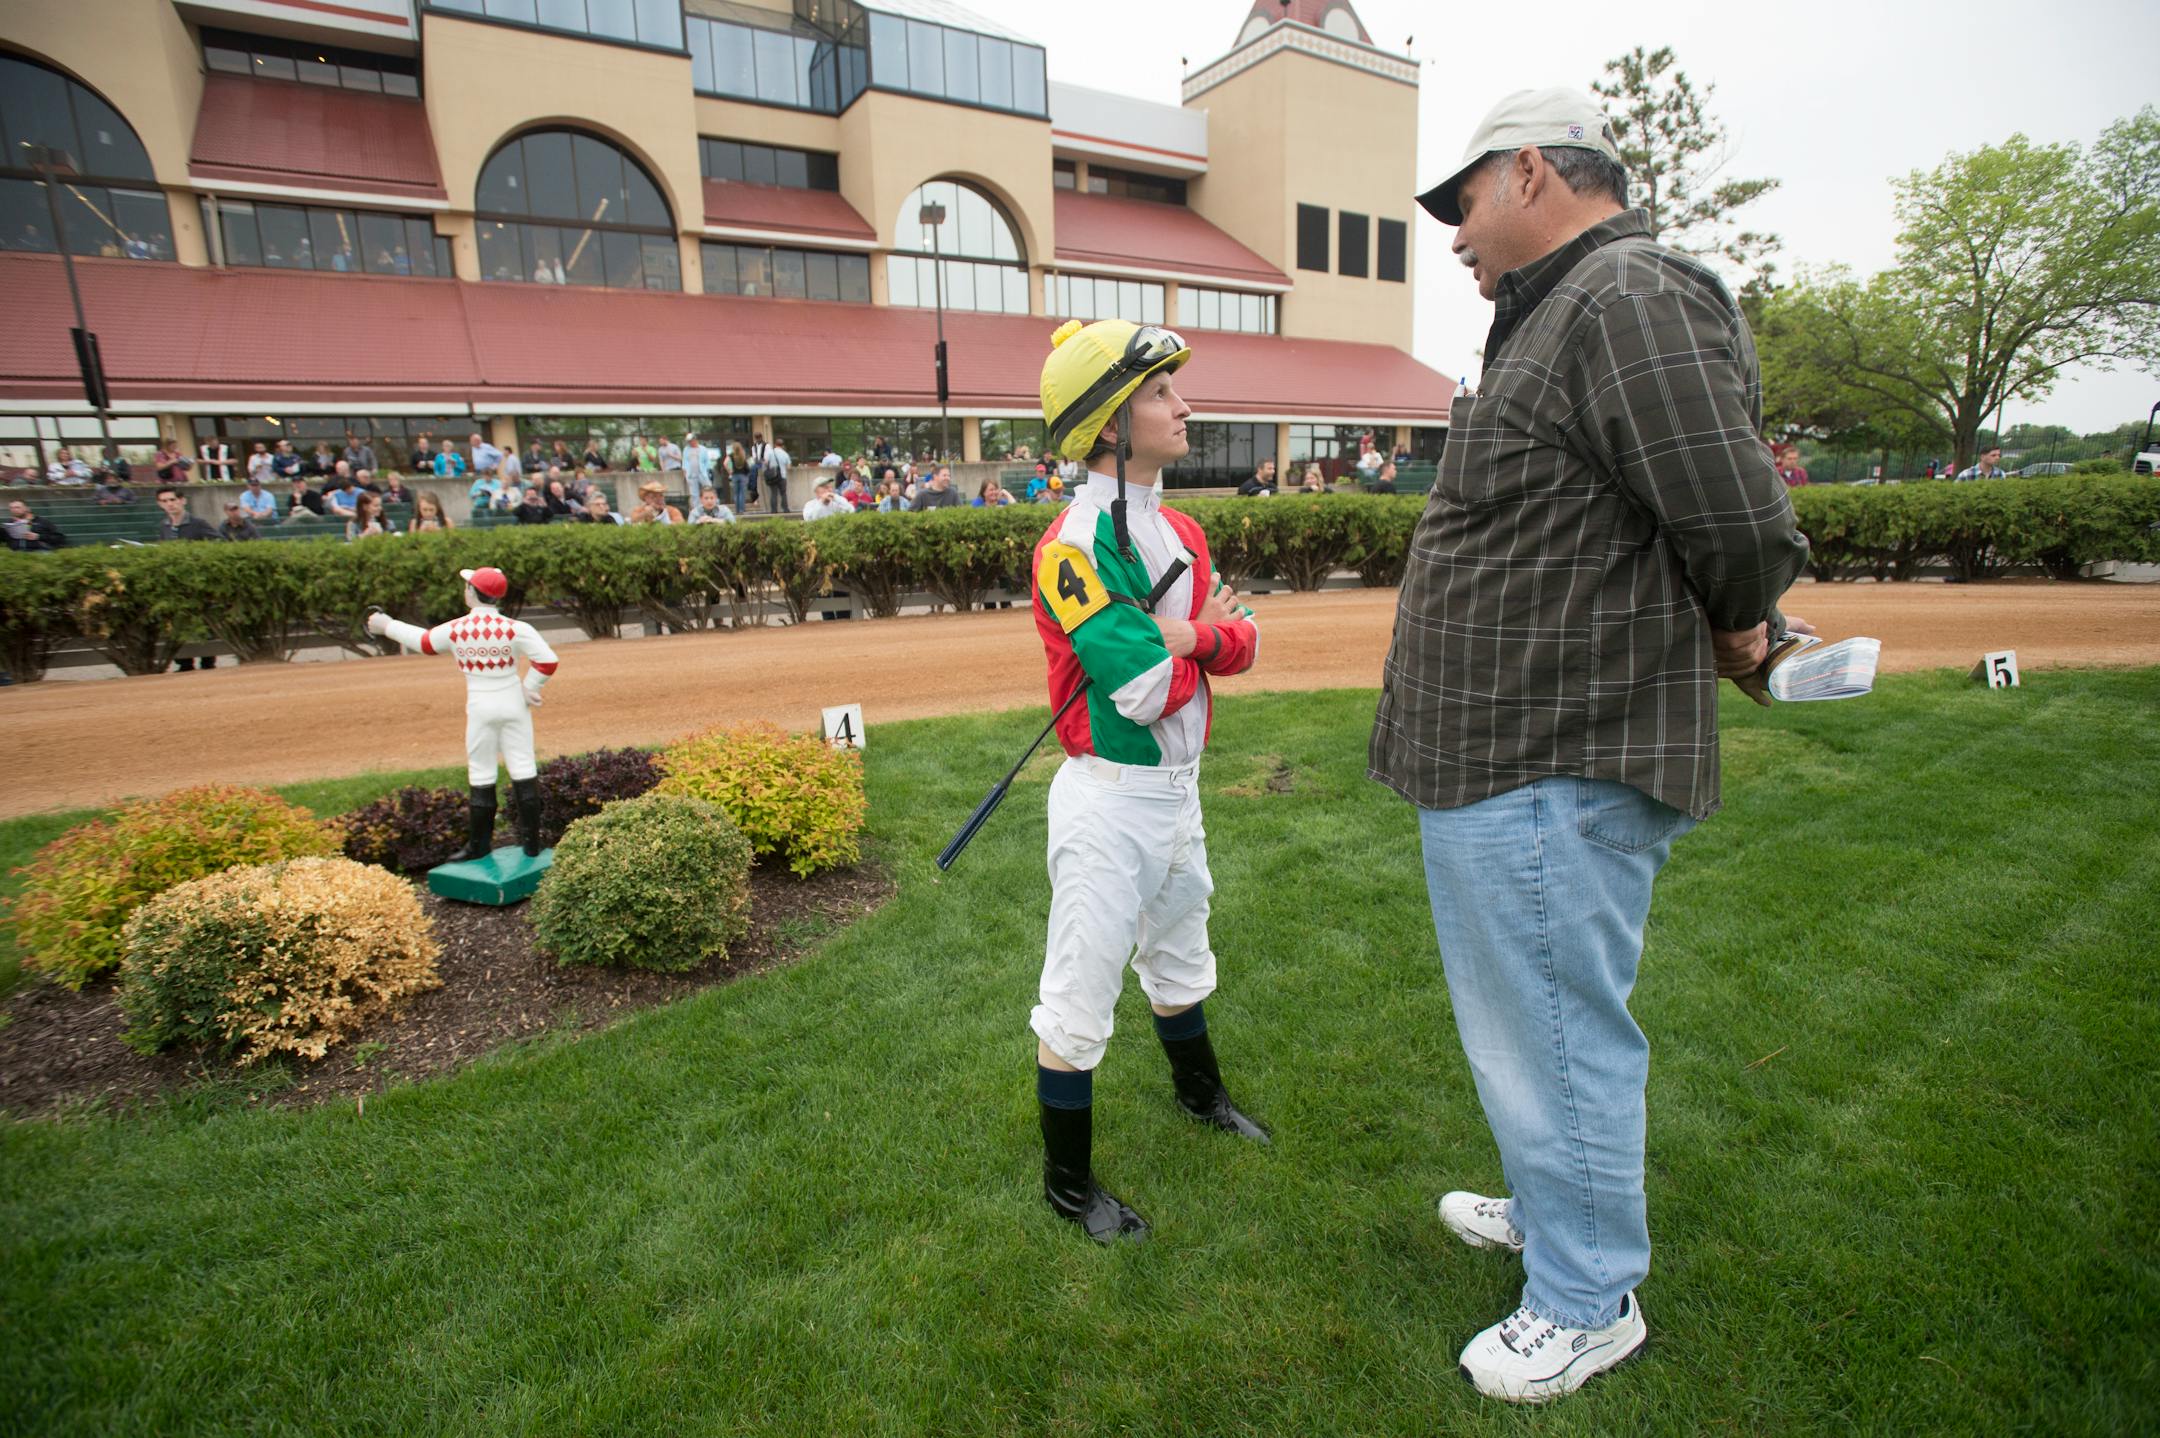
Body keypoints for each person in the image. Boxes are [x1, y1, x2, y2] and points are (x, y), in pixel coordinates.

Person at [1375, 89, 1812, 1404]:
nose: (1450, 232)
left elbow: (1734, 514)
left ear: (1529, 172)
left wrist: (1746, 622)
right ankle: (1552, 1207)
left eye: (1462, 201)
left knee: (1555, 1030)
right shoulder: (1555, 312)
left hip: (1552, 748)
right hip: (1506, 749)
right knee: (1527, 1025)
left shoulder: (1627, 292)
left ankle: (1585, 1297)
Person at [1026, 317, 1267, 1246]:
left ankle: (1200, 1096)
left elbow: (1240, 642)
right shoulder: (1073, 548)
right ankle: (1067, 1186)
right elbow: (1139, 690)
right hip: (1108, 802)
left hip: (1180, 792)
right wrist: (1205, 637)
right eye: (1162, 393)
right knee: (1080, 995)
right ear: (1109, 425)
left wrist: (1197, 634)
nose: (1184, 404)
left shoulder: (1185, 530)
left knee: (1180, 951)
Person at [366, 565, 561, 860]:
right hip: (513, 703)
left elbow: (424, 642)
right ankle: (532, 845)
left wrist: (386, 624)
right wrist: (528, 686)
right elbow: (547, 661)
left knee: (481, 772)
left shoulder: (458, 629)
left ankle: (479, 845)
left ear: (472, 592)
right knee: (524, 768)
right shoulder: (516, 628)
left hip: (481, 705)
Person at [155, 486, 222, 542]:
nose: (169, 504)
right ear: (160, 504)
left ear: (183, 501)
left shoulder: (198, 523)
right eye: (164, 501)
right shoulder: (164, 525)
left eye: (173, 500)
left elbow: (220, 542)